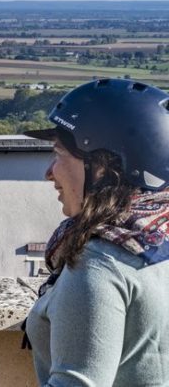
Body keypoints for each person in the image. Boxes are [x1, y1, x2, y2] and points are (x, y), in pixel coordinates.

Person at [20, 78, 169, 386]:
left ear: (102, 166)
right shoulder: (159, 234)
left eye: (59, 153)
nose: (49, 172)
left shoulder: (100, 262)